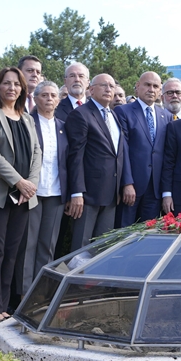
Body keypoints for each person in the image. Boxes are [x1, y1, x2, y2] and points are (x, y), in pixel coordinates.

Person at [0, 66, 41, 327]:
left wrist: (31, 184)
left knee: (12, 252)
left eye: (17, 84)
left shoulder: (28, 119)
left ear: (23, 89)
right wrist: (19, 182)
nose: (12, 88)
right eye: (7, 83)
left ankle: (4, 306)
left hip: (25, 196)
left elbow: (37, 153)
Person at [66, 74, 133, 250]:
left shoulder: (114, 115)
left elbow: (118, 152)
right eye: (104, 85)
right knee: (81, 247)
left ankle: (95, 279)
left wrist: (125, 183)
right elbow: (75, 156)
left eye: (112, 86)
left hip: (111, 193)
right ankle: (76, 278)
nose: (109, 89)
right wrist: (77, 192)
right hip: (88, 194)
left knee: (102, 247)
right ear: (91, 89)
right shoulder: (81, 114)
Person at [115, 71, 171, 225]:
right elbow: (122, 150)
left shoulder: (165, 115)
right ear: (137, 87)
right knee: (123, 234)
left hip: (155, 188)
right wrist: (127, 183)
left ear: (160, 91)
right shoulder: (123, 111)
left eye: (155, 86)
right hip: (132, 186)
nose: (151, 89)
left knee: (148, 236)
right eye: (147, 85)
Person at [30, 80, 69, 270]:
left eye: (53, 95)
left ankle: (41, 292)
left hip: (55, 193)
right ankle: (24, 292)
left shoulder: (64, 127)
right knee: (28, 244)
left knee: (48, 245)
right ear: (36, 98)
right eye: (44, 95)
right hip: (32, 193)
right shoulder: (27, 122)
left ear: (59, 100)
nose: (49, 99)